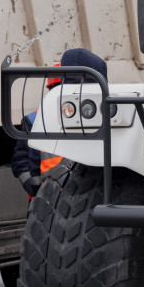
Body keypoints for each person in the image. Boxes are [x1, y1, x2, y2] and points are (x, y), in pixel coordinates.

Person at [10, 48, 108, 196]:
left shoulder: (105, 116)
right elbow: (22, 163)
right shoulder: (36, 119)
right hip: (51, 202)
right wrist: (38, 191)